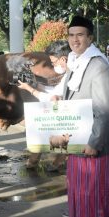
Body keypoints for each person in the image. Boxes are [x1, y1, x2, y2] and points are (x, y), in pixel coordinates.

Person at [51, 15, 109, 217]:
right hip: (76, 140)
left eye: (80, 35)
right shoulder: (75, 62)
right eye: (71, 35)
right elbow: (75, 97)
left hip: (91, 144)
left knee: (93, 195)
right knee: (78, 192)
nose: (75, 39)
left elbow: (104, 108)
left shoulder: (98, 65)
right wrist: (59, 98)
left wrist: (94, 143)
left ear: (90, 37)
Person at [17, 40, 71, 170]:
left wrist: (29, 89)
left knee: (48, 131)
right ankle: (54, 161)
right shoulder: (70, 73)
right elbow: (56, 91)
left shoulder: (71, 74)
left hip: (66, 115)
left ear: (63, 59)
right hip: (66, 115)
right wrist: (37, 85)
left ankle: (55, 161)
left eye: (53, 62)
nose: (53, 65)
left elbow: (52, 98)